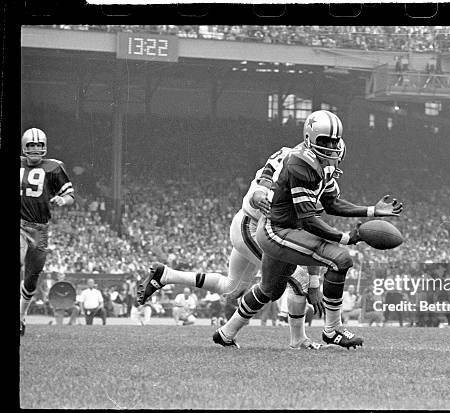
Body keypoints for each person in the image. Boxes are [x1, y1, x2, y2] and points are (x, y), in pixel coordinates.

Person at [214, 110, 403, 349]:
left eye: (335, 142)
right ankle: (332, 330)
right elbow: (310, 221)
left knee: (270, 289)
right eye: (325, 141)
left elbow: (332, 204)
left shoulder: (322, 167)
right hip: (276, 230)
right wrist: (346, 238)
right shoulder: (300, 165)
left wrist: (371, 211)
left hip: (283, 229)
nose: (332, 148)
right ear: (309, 138)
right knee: (340, 259)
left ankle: (226, 332)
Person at [138, 144, 334, 349]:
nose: (331, 158)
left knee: (232, 288)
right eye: (328, 149)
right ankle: (298, 340)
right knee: (299, 279)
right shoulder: (295, 162)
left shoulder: (306, 168)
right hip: (254, 227)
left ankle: (166, 275)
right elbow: (265, 178)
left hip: (254, 225)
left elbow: (309, 231)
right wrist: (313, 283)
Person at [20, 128, 75, 336]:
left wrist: (62, 200)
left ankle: (21, 317)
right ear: (25, 146)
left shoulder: (54, 167)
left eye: (38, 145)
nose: (35, 149)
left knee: (32, 278)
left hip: (38, 228)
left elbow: (70, 195)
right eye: (31, 145)